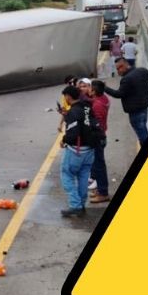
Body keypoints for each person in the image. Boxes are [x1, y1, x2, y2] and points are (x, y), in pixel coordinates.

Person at [103, 58, 148, 145]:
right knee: (143, 130)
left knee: (142, 135)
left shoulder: (126, 79)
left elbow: (119, 94)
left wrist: (105, 88)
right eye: (117, 69)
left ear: (125, 65)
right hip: (144, 108)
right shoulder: (142, 71)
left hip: (135, 112)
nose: (118, 71)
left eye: (119, 68)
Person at [59, 86, 100, 217]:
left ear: (68, 97)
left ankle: (75, 205)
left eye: (65, 96)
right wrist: (66, 116)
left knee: (67, 175)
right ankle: (81, 204)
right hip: (90, 150)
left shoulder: (73, 112)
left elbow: (73, 133)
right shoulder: (87, 107)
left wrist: (64, 139)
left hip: (76, 151)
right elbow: (85, 123)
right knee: (83, 176)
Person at [88, 80, 112, 203]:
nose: (88, 90)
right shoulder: (104, 99)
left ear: (94, 91)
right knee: (98, 164)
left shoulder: (97, 105)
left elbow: (95, 123)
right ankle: (100, 190)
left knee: (99, 166)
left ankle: (103, 193)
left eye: (90, 88)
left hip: (98, 137)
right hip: (103, 135)